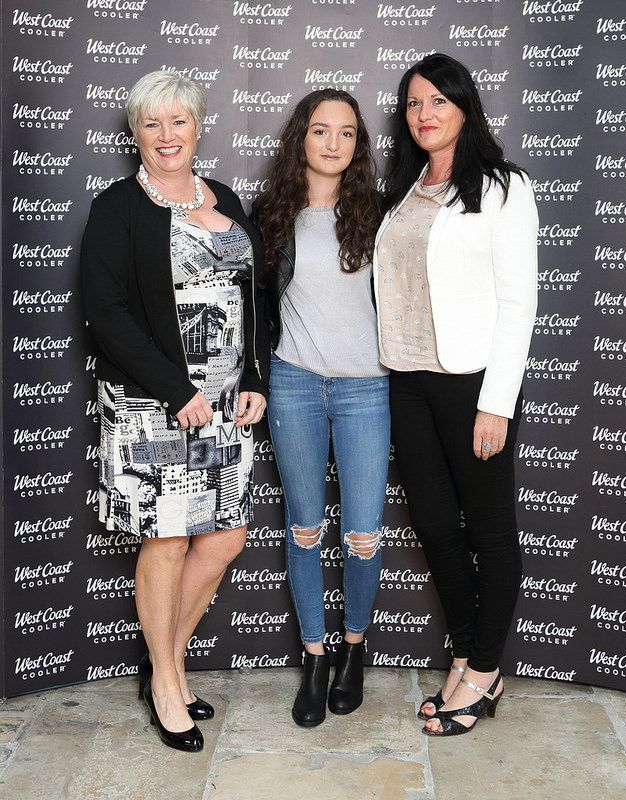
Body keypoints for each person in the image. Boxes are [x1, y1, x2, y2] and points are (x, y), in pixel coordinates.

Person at [81, 71, 269, 751]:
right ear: (134, 133)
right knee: (165, 540)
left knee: (222, 538)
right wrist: (176, 390)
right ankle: (167, 684)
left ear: (198, 127)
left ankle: (166, 658)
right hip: (150, 406)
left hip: (224, 407)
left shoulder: (225, 197)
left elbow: (251, 299)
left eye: (179, 122)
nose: (167, 136)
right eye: (152, 124)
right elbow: (107, 316)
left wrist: (252, 374)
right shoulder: (117, 209)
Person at [377, 53, 538, 736]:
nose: (426, 113)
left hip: (473, 385)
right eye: (414, 103)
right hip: (406, 382)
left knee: (491, 533)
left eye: (439, 100)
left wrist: (496, 402)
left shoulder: (504, 188)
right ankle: (469, 653)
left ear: (465, 107)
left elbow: (518, 300)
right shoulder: (405, 188)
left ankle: (482, 669)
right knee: (437, 528)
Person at [253, 89, 390, 727]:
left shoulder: (382, 215)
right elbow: (254, 313)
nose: (332, 142)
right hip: (295, 386)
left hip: (368, 388)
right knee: (304, 528)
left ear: (358, 144)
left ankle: (353, 651)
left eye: (345, 132)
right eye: (319, 130)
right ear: (300, 141)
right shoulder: (272, 216)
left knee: (361, 534)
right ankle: (313, 656)